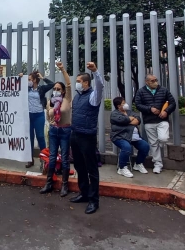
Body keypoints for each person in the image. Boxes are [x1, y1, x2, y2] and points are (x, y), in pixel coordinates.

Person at [68, 62, 104, 215]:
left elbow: (101, 86)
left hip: (87, 137)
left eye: (78, 81)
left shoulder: (93, 97)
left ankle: (93, 200)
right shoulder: (77, 97)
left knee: (91, 169)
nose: (77, 83)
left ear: (86, 83)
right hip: (75, 135)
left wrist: (95, 71)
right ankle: (83, 193)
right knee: (79, 167)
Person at [40, 62, 72, 197]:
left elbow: (69, 84)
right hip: (53, 130)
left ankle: (65, 184)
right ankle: (49, 183)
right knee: (52, 156)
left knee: (64, 157)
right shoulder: (50, 101)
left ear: (63, 91)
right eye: (55, 88)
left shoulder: (67, 99)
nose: (56, 90)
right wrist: (52, 124)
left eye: (59, 88)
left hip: (65, 131)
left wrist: (62, 69)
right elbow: (49, 116)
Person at [133, 73, 176, 174]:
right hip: (149, 121)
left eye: (156, 80)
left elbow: (172, 103)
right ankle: (158, 164)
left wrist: (166, 111)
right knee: (153, 144)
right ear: (147, 82)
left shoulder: (163, 90)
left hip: (162, 120)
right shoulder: (141, 91)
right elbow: (138, 104)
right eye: (152, 81)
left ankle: (160, 149)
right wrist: (150, 109)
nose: (155, 82)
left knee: (163, 138)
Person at [110, 97, 150, 178]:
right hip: (120, 137)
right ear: (118, 106)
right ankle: (122, 168)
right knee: (126, 147)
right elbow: (122, 120)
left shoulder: (129, 112)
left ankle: (138, 164)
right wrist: (129, 119)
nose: (125, 104)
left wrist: (128, 120)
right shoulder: (114, 114)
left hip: (134, 137)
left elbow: (138, 119)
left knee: (145, 146)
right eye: (123, 103)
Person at [21, 70, 53, 168]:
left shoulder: (41, 89)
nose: (28, 81)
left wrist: (43, 78)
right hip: (29, 116)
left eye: (30, 79)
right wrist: (20, 77)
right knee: (29, 138)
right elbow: (16, 86)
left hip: (39, 115)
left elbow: (52, 84)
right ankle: (30, 160)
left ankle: (44, 160)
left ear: (34, 80)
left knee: (40, 137)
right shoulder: (27, 88)